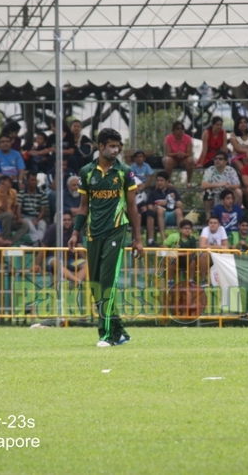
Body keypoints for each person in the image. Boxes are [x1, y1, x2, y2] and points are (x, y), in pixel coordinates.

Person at [68, 127, 143, 348]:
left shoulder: (125, 171)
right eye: (111, 145)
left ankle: (107, 335)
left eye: (118, 145)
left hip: (116, 231)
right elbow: (83, 207)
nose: (116, 149)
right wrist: (75, 233)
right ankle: (119, 331)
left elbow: (132, 206)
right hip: (93, 233)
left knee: (107, 284)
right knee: (95, 285)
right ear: (100, 147)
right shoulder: (86, 172)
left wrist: (137, 239)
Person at [34, 212, 87, 283]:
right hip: (53, 258)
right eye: (64, 220)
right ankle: (76, 281)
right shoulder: (52, 229)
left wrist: (86, 260)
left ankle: (75, 284)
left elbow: (79, 247)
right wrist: (37, 264)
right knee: (56, 263)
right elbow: (43, 247)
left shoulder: (75, 230)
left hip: (70, 260)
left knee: (87, 265)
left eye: (69, 220)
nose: (67, 222)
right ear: (59, 221)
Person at [146, 171, 184, 246]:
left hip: (172, 215)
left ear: (167, 181)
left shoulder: (173, 191)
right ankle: (164, 240)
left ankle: (181, 238)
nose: (159, 182)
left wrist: (173, 201)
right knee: (160, 210)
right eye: (158, 180)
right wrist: (158, 205)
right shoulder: (153, 193)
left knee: (179, 211)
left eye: (161, 180)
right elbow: (150, 209)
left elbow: (181, 208)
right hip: (160, 216)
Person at [201, 150, 242, 218]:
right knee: (207, 192)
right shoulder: (210, 170)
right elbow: (203, 185)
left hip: (228, 195)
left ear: (226, 161)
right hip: (215, 195)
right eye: (215, 158)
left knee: (239, 191)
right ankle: (208, 217)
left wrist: (230, 186)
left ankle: (235, 214)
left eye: (220, 159)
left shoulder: (231, 170)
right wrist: (220, 184)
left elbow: (238, 185)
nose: (217, 160)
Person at [0, 175, 26, 245]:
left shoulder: (13, 192)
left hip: (8, 217)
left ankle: (11, 242)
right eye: (1, 183)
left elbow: (15, 206)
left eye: (5, 184)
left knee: (25, 225)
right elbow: (4, 209)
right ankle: (5, 238)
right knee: (8, 214)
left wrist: (18, 217)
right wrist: (5, 193)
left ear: (10, 185)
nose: (3, 185)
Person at [164, 219, 201, 284]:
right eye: (185, 228)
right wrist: (172, 252)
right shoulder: (174, 236)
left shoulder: (192, 239)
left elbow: (192, 252)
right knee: (171, 258)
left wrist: (180, 254)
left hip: (187, 259)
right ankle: (170, 281)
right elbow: (164, 246)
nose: (187, 230)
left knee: (193, 259)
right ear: (180, 229)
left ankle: (191, 281)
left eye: (189, 228)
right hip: (175, 258)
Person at [18, 172, 49, 245]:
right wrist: (19, 217)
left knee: (43, 224)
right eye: (32, 180)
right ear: (27, 181)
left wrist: (37, 220)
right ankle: (38, 242)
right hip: (25, 216)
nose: (33, 182)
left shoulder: (42, 193)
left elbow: (43, 210)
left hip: (37, 217)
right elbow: (18, 208)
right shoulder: (22, 192)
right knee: (29, 224)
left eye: (35, 180)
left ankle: (38, 243)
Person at [163, 121, 195, 187]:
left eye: (182, 128)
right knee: (169, 160)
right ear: (173, 130)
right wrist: (176, 154)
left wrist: (183, 154)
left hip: (183, 160)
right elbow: (168, 153)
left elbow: (189, 154)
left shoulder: (188, 138)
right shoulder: (168, 138)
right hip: (172, 159)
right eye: (177, 128)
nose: (180, 130)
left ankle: (188, 182)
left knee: (190, 160)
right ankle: (168, 181)